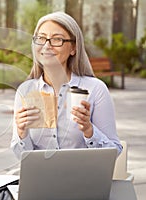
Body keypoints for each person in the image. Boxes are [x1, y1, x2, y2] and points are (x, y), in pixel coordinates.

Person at [10, 12, 122, 159]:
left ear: (73, 48)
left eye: (57, 39)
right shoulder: (26, 91)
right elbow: (22, 156)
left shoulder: (95, 89)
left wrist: (89, 130)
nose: (46, 45)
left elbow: (114, 151)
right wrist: (21, 132)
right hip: (41, 180)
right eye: (41, 38)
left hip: (83, 180)